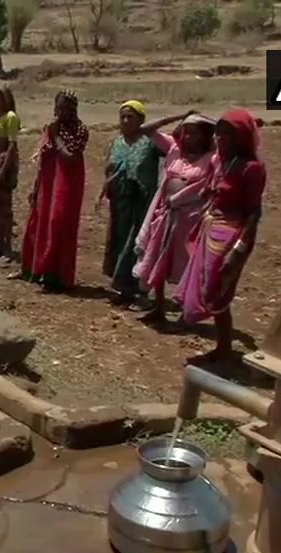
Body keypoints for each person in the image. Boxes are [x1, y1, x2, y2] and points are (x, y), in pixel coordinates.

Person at [174, 108, 265, 360]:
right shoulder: (220, 162)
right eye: (219, 133)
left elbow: (254, 212)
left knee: (219, 289)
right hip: (212, 228)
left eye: (228, 134)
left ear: (242, 137)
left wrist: (239, 250)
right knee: (209, 287)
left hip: (233, 236)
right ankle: (222, 346)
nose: (221, 138)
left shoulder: (251, 169)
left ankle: (224, 348)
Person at [131, 111, 217, 321]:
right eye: (185, 132)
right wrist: (180, 116)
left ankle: (186, 314)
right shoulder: (174, 149)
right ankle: (159, 307)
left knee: (189, 265)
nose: (187, 137)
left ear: (205, 136)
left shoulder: (212, 158)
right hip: (166, 214)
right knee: (158, 257)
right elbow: (144, 129)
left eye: (194, 133)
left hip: (192, 219)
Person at [18, 90, 89, 292]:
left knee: (58, 224)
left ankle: (56, 276)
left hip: (67, 185)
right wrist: (36, 186)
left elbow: (70, 158)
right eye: (60, 107)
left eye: (68, 107)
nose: (63, 111)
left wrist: (56, 134)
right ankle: (34, 269)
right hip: (48, 184)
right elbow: (43, 159)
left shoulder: (80, 130)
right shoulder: (49, 129)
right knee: (38, 223)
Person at [98, 100, 165, 301]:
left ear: (141, 121)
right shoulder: (117, 142)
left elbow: (176, 149)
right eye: (123, 117)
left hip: (142, 204)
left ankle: (139, 288)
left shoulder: (150, 142)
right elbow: (109, 168)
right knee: (120, 242)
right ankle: (124, 288)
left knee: (138, 244)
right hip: (120, 203)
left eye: (131, 117)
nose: (126, 121)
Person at [0, 85, 21, 262]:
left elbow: (12, 146)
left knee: (5, 208)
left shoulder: (10, 117)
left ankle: (7, 248)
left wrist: (2, 170)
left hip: (3, 164)